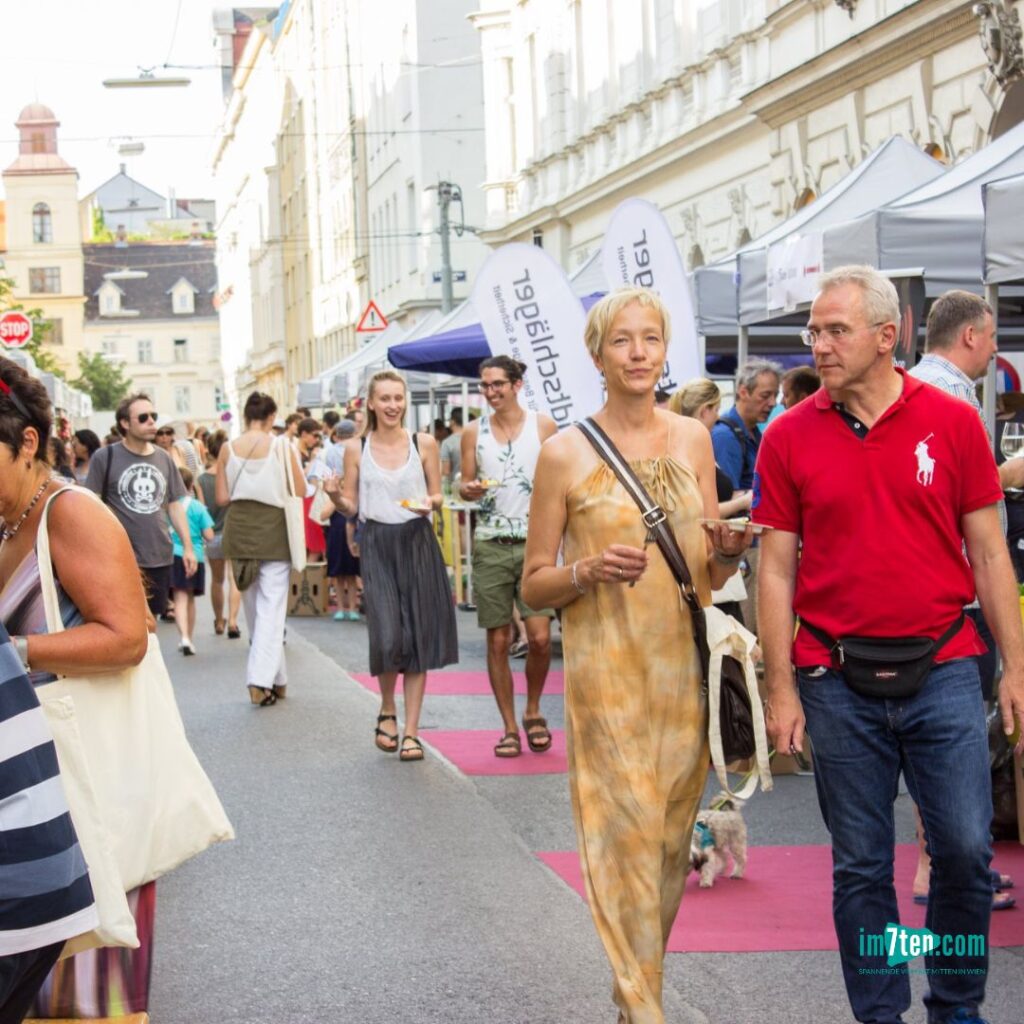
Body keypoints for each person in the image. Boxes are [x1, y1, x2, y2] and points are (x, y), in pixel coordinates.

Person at [755, 265, 1024, 1024]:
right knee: (863, 870)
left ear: (887, 336)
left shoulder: (952, 421)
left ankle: (955, 1006)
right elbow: (774, 570)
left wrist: (1018, 668)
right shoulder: (789, 435)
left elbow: (991, 553)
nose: (821, 345)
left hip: (943, 664)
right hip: (834, 678)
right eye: (815, 331)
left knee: (968, 856)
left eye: (836, 330)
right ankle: (880, 1014)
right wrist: (780, 688)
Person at [521, 287, 751, 1023]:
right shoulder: (562, 453)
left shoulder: (693, 440)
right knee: (622, 840)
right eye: (623, 340)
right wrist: (585, 571)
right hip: (607, 679)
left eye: (651, 339)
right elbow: (534, 585)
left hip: (681, 675)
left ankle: (632, 996)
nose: (639, 353)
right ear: (598, 355)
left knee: (665, 848)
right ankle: (647, 1009)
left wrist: (730, 552)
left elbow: (706, 572)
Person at [0, 356, 153, 1019]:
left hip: (82, 787)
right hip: (30, 791)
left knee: (83, 998)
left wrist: (14, 651)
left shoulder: (71, 513)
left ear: (27, 441)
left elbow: (127, 636)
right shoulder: (9, 519)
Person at [909, 288, 1019, 911]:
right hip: (959, 594)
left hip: (941, 590)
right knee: (954, 739)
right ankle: (948, 868)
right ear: (972, 335)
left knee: (945, 738)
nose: (997, 348)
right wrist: (1013, 472)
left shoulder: (922, 387)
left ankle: (943, 865)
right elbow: (964, 493)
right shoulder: (950, 395)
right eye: (995, 336)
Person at [325, 370, 458, 763]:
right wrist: (334, 497)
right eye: (384, 398)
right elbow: (351, 505)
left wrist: (429, 503)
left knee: (417, 637)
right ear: (370, 402)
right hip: (378, 542)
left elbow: (437, 494)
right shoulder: (356, 448)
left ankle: (412, 732)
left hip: (418, 540)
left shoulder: (425, 443)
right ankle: (387, 708)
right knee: (387, 636)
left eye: (398, 398)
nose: (392, 405)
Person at [460, 356, 557, 757]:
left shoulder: (544, 426)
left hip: (537, 544)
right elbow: (465, 483)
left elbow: (560, 480)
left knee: (539, 638)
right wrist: (468, 490)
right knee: (498, 641)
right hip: (490, 541)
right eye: (485, 386)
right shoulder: (473, 432)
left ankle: (534, 709)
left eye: (498, 384)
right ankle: (509, 727)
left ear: (517, 385)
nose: (490, 392)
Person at [216, 391, 305, 706]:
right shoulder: (283, 446)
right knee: (272, 608)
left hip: (239, 529)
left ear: (245, 416)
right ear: (271, 417)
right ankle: (258, 679)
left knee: (255, 609)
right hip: (274, 530)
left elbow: (222, 498)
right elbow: (302, 487)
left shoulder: (228, 448)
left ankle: (277, 680)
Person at [84, 393, 196, 618]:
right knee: (128, 622)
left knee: (151, 625)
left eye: (153, 416)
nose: (152, 422)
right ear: (125, 423)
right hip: (120, 558)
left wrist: (188, 547)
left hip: (159, 556)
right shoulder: (104, 457)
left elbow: (174, 505)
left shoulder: (164, 458)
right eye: (143, 417)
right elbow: (90, 505)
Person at [670, 377, 753, 623]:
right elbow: (700, 512)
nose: (718, 417)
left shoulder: (700, 444)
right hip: (703, 559)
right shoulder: (686, 448)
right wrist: (740, 503)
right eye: (716, 410)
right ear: (705, 410)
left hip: (715, 558)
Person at [710, 359, 781, 490]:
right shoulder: (725, 437)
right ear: (743, 392)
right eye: (765, 396)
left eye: (775, 395)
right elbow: (727, 497)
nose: (773, 403)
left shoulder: (753, 432)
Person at [198, 431, 242, 638]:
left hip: (212, 535)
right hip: (233, 532)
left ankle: (219, 620)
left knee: (217, 580)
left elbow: (201, 510)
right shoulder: (233, 477)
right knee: (235, 579)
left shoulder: (201, 479)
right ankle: (233, 621)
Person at [168, 467, 215, 656]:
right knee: (190, 599)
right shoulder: (197, 506)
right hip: (195, 555)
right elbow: (209, 535)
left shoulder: (168, 505)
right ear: (190, 485)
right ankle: (190, 637)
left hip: (173, 554)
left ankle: (183, 637)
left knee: (179, 597)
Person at [325, 420, 362, 621]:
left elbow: (329, 477)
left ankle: (341, 606)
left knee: (339, 566)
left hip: (336, 507)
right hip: (356, 504)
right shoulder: (359, 448)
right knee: (353, 565)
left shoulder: (331, 452)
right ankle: (353, 607)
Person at [297, 417, 328, 561]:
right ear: (304, 434)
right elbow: (298, 476)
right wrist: (314, 461)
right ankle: (308, 581)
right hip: (303, 500)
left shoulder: (308, 451)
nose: (316, 439)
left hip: (312, 497)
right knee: (312, 545)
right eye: (314, 435)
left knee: (315, 545)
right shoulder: (295, 451)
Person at [440, 406, 464, 492]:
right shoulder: (474, 439)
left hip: (456, 489)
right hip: (476, 488)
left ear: (452, 421)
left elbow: (446, 471)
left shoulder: (447, 443)